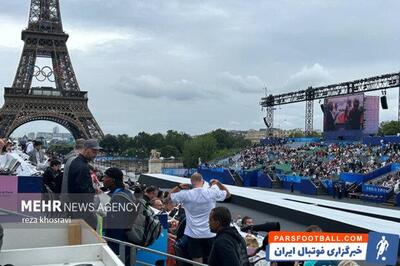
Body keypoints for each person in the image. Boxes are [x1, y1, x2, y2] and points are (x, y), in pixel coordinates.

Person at [170, 174, 230, 263]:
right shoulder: (211, 192)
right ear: (202, 181)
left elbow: (171, 196)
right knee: (212, 260)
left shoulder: (185, 194)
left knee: (196, 260)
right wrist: (218, 183)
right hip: (210, 234)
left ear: (191, 182)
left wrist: (178, 187)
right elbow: (228, 195)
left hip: (193, 234)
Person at [103, 167, 137, 265]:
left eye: (105, 177)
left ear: (112, 180)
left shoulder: (115, 197)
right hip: (129, 240)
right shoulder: (128, 193)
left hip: (117, 242)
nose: (103, 180)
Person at [67, 139, 102, 229]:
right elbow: (83, 192)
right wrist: (95, 191)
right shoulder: (83, 167)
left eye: (97, 152)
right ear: (86, 149)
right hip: (83, 211)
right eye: (93, 151)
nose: (95, 155)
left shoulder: (76, 162)